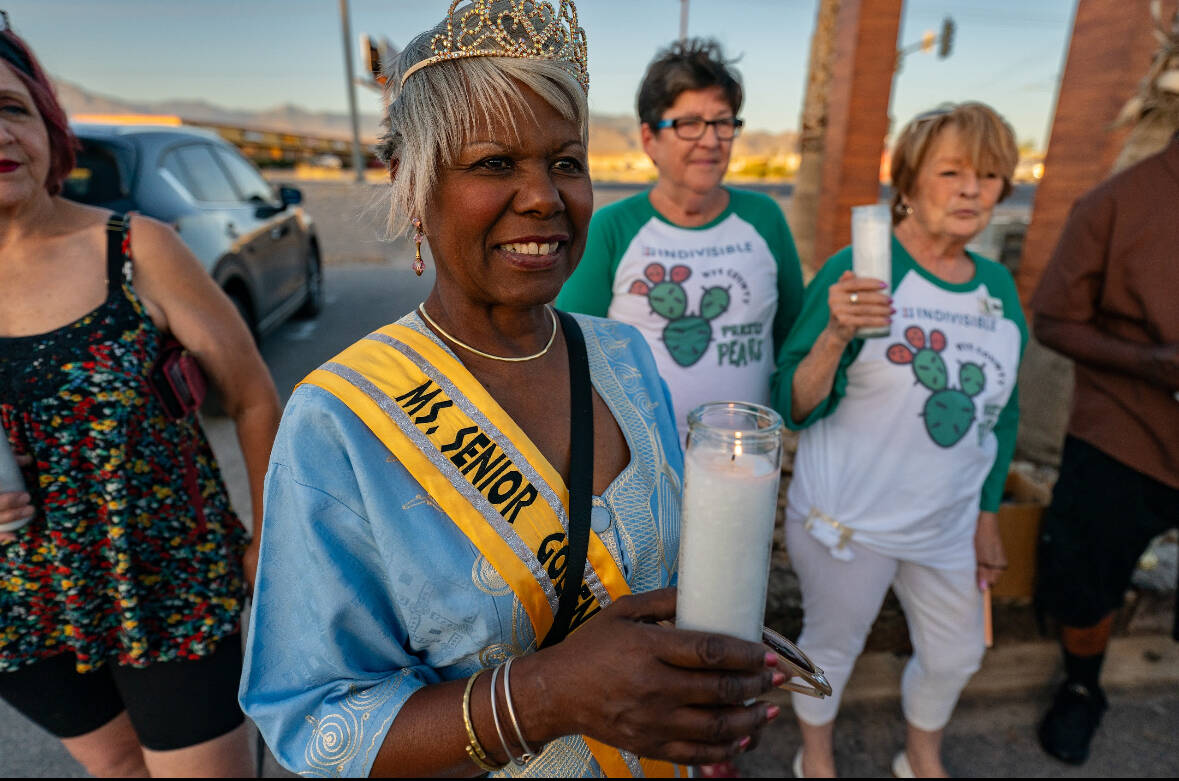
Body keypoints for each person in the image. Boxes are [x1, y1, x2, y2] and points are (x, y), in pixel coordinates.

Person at [239, 2, 784, 777]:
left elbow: (665, 583)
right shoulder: (339, 419)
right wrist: (544, 695)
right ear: (412, 184)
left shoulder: (623, 355)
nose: (542, 197)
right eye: (495, 163)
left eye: (566, 161)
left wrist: (704, 701)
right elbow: (312, 717)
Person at [0, 16, 279, 778]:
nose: (0, 134)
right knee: (119, 766)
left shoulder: (136, 247)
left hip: (163, 579)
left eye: (12, 109)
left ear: (49, 126)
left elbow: (252, 394)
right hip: (19, 603)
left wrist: (271, 541)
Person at [772, 103, 1026, 778]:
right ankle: (814, 756)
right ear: (907, 185)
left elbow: (998, 415)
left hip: (946, 525)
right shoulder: (860, 268)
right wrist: (833, 335)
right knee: (828, 647)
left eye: (991, 174)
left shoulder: (997, 287)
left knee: (955, 653)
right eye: (952, 171)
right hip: (848, 520)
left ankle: (920, 756)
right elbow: (792, 402)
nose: (974, 189)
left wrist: (988, 515)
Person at [557, 38, 804, 441]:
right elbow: (572, 357)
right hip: (642, 472)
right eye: (689, 124)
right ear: (650, 138)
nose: (710, 140)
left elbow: (792, 341)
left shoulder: (765, 219)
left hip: (741, 469)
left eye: (723, 122)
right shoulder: (613, 227)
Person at [1031, 130, 1179, 766]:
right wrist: (1152, 363)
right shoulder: (1114, 203)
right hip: (1126, 432)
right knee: (1085, 576)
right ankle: (1081, 686)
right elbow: (1053, 320)